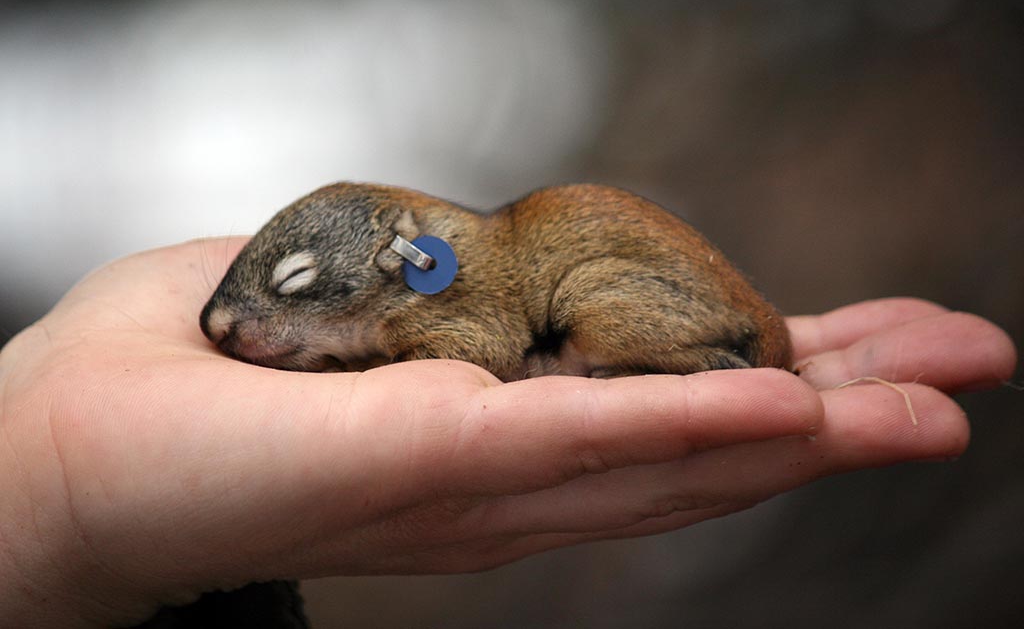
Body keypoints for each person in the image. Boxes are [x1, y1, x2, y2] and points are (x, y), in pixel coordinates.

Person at [0, 237, 1016, 628]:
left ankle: (688, 354)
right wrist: (43, 502)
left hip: (638, 312)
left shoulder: (455, 293)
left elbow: (481, 335)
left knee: (616, 321)